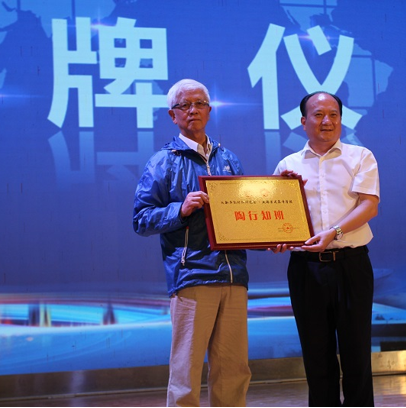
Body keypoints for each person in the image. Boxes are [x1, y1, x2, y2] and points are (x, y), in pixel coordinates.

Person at [132, 79, 251, 407]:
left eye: (199, 103)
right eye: (184, 105)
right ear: (173, 115)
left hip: (233, 275)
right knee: (186, 374)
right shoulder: (163, 162)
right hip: (192, 276)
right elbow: (141, 219)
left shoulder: (230, 159)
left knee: (234, 371)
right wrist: (180, 209)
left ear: (210, 111)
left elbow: (244, 216)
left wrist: (271, 234)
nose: (193, 110)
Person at [271, 91, 380, 406]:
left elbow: (369, 205)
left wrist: (334, 232)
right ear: (303, 121)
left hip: (351, 264)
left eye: (333, 114)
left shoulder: (361, 157)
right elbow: (277, 218)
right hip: (306, 269)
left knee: (357, 353)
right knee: (316, 355)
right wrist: (276, 239)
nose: (327, 121)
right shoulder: (288, 166)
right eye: (318, 114)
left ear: (341, 120)